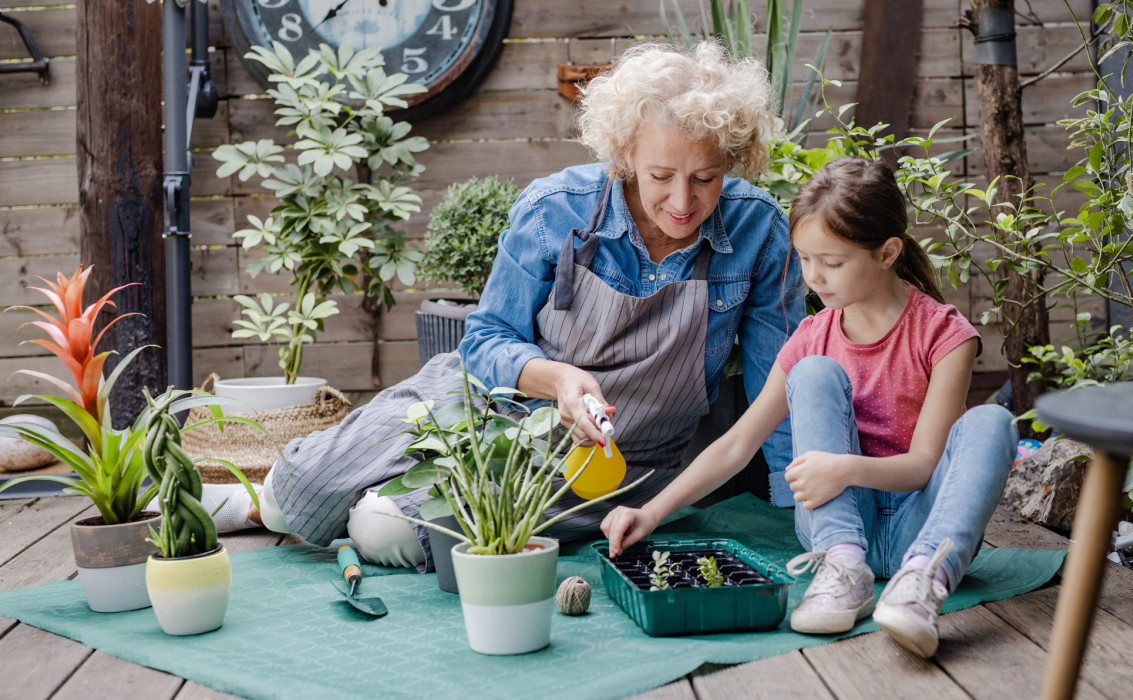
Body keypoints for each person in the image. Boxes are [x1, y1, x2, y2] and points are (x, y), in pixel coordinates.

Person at [236, 41, 805, 570]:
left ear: (731, 159)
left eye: (705, 178)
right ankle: (247, 504)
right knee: (299, 494)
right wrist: (559, 380)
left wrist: (793, 508)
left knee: (386, 531)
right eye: (661, 176)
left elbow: (777, 383)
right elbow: (484, 341)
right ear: (627, 151)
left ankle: (372, 500)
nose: (683, 202)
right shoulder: (556, 209)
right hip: (479, 406)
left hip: (607, 469)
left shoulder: (759, 230)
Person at [600, 156, 1016, 658]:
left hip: (919, 525)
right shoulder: (811, 337)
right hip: (837, 524)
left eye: (833, 262)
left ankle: (922, 584)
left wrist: (843, 469)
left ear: (887, 253)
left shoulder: (944, 335)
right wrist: (650, 513)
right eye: (804, 259)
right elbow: (737, 444)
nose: (815, 277)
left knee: (993, 421)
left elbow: (925, 467)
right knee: (815, 373)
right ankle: (842, 568)